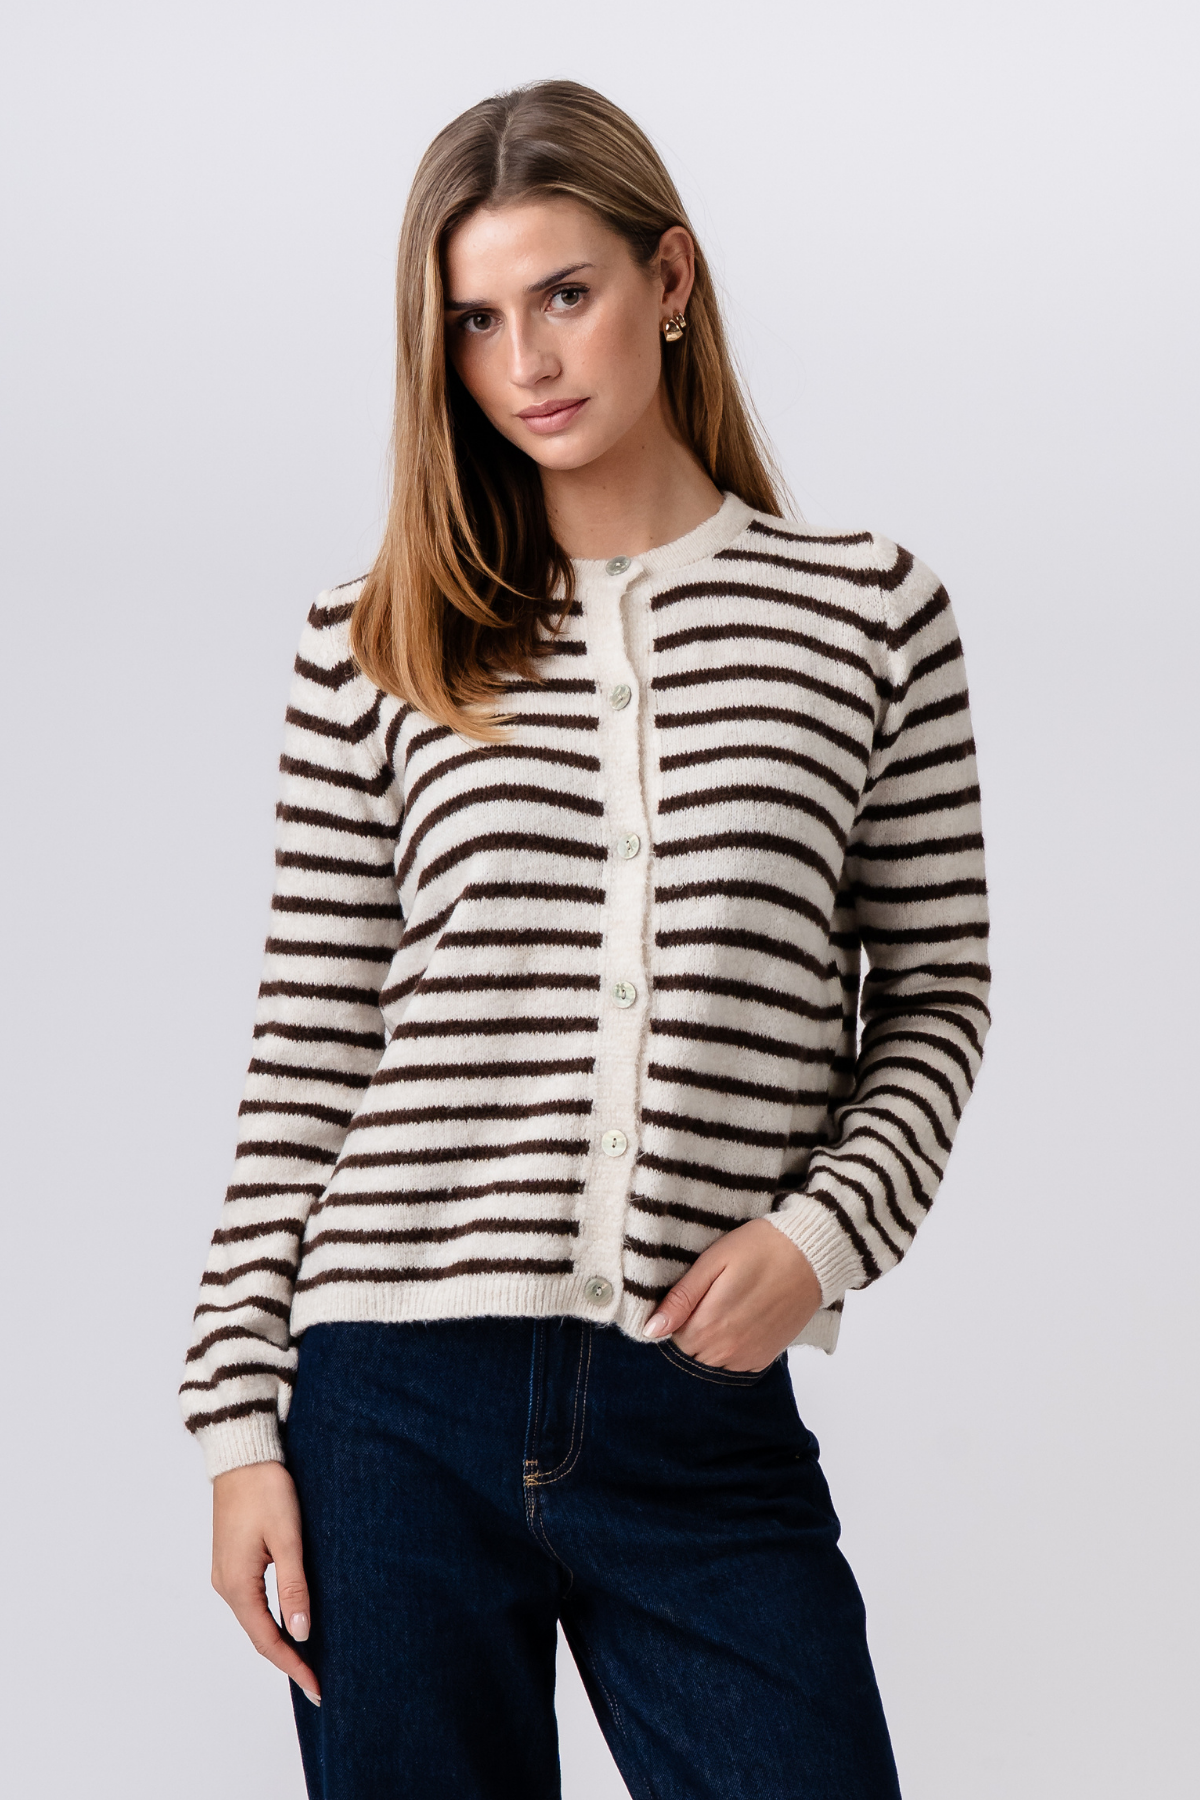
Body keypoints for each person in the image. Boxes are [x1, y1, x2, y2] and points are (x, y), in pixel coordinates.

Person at [181, 79, 990, 1800]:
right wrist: (238, 1424)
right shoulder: (371, 640)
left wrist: (822, 1237)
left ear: (669, 278)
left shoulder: (868, 612)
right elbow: (308, 1049)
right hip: (388, 1406)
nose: (527, 361)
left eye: (565, 293)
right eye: (475, 322)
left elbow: (936, 998)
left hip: (699, 1408)